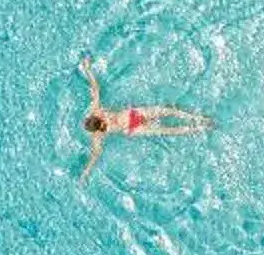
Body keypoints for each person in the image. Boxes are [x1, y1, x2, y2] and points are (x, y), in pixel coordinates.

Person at [78, 57, 211, 177]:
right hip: (133, 114)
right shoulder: (97, 111)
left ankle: (199, 128)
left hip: (133, 128)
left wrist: (86, 171)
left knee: (167, 130)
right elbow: (95, 89)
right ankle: (197, 119)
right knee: (167, 111)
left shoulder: (97, 135)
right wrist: (88, 69)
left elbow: (95, 155)